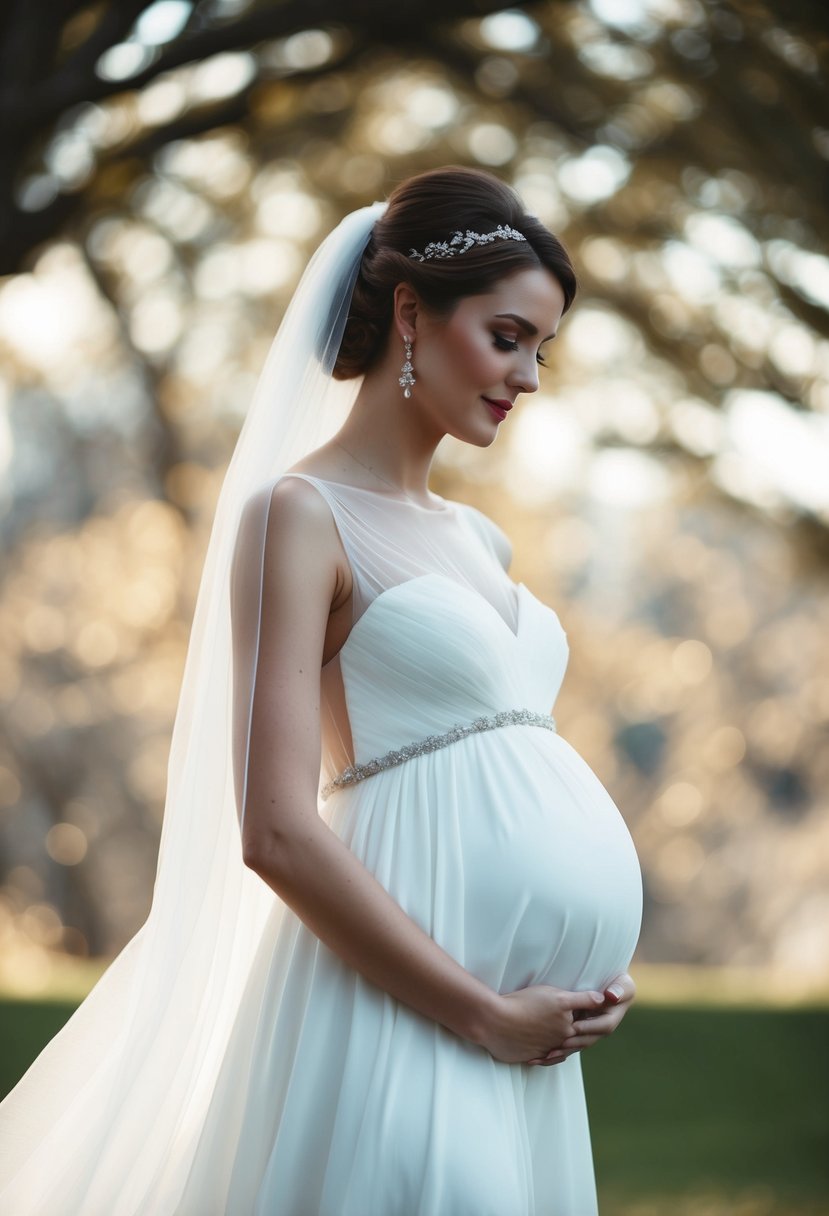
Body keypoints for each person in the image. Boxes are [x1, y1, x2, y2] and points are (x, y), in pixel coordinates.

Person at [0, 165, 642, 1215]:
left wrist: (578, 981)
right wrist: (479, 1009)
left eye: (541, 348)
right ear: (408, 313)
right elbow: (275, 830)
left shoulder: (478, 538)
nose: (527, 376)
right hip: (405, 1014)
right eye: (507, 335)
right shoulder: (298, 516)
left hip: (527, 1052)